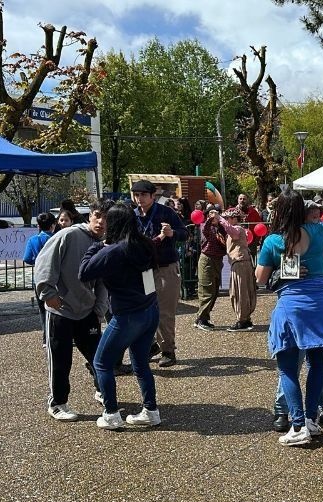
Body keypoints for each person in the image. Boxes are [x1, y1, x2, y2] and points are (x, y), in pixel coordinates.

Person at [255, 189, 323, 446]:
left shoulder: (272, 241)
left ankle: (298, 424)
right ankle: (312, 420)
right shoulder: (319, 230)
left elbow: (259, 279)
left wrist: (284, 271)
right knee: (316, 365)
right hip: (320, 306)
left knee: (288, 370)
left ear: (278, 212)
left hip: (291, 308)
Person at [78, 203, 162, 430]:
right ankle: (151, 410)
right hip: (150, 310)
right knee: (141, 363)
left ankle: (111, 414)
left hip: (127, 316)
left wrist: (97, 247)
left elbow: (83, 272)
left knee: (101, 363)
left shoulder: (112, 250)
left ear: (112, 224)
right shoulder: (144, 244)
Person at [34, 199, 112, 422]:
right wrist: (48, 294)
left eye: (106, 218)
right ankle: (57, 402)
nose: (101, 222)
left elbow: (103, 281)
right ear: (89, 216)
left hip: (87, 310)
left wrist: (99, 308)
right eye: (97, 216)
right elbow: (44, 263)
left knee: (99, 356)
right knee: (60, 359)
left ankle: (102, 389)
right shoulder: (68, 235)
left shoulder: (105, 244)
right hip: (61, 311)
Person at [131, 179, 188, 368]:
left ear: (152, 196)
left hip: (166, 268)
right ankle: (152, 345)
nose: (139, 199)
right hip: (145, 270)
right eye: (136, 195)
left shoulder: (165, 212)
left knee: (165, 311)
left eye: (143, 195)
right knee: (148, 309)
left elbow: (184, 233)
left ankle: (168, 350)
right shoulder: (133, 215)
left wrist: (172, 234)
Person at [219, 207, 257, 332]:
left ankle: (242, 320)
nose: (226, 220)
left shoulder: (238, 229)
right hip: (240, 262)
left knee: (240, 291)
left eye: (227, 218)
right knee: (242, 290)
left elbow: (233, 233)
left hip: (240, 262)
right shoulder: (237, 230)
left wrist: (219, 219)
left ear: (235, 218)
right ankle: (245, 318)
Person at [23, 212, 57, 346]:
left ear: (38, 225)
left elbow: (26, 258)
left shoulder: (33, 240)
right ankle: (58, 335)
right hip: (56, 278)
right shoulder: (57, 238)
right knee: (57, 309)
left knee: (42, 309)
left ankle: (46, 338)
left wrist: (37, 261)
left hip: (39, 278)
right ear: (53, 225)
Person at [195, 205, 228, 330]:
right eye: (211, 213)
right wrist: (211, 219)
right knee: (206, 290)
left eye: (217, 213)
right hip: (207, 259)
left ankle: (204, 317)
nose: (215, 216)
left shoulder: (221, 228)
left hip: (218, 260)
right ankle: (201, 319)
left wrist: (221, 221)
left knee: (214, 291)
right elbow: (205, 231)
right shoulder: (205, 225)